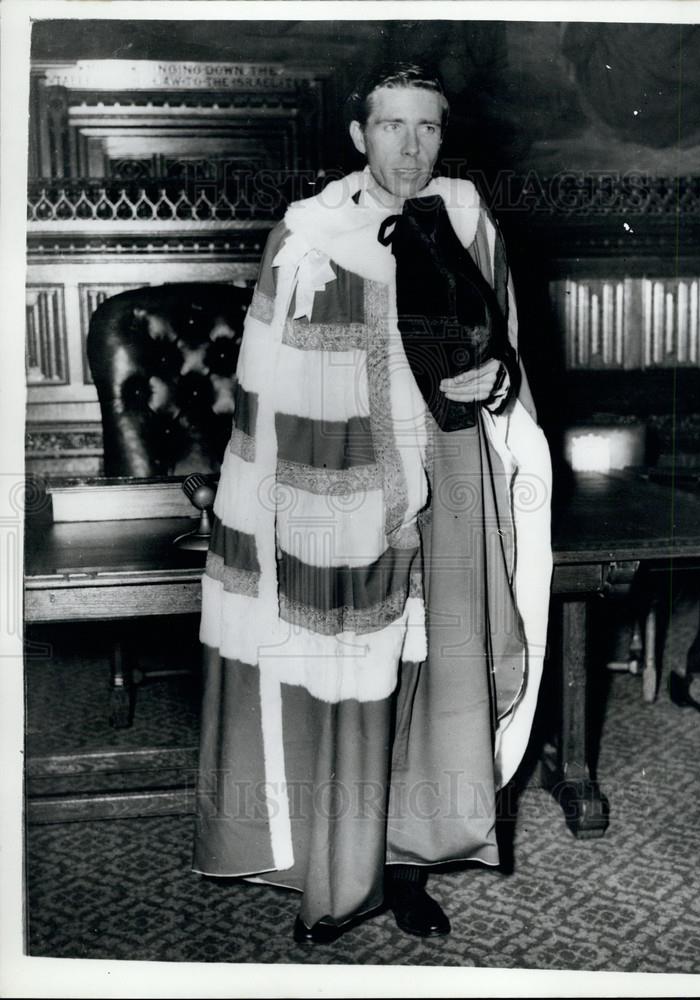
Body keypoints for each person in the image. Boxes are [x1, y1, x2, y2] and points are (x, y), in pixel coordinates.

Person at [193, 63, 552, 944]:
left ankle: (408, 863)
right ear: (359, 135)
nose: (410, 146)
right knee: (351, 687)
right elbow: (263, 388)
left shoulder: (468, 217)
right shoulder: (309, 234)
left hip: (452, 476)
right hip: (338, 489)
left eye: (427, 128)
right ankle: (343, 871)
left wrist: (497, 375)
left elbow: (504, 346)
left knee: (434, 676)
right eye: (392, 126)